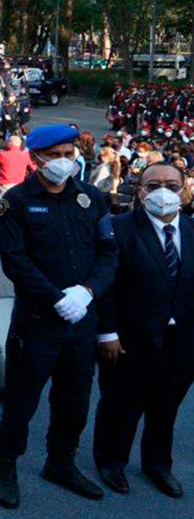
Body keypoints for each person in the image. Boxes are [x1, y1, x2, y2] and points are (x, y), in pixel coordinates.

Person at [0, 124, 118, 509]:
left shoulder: (91, 198)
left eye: (70, 154)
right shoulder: (15, 201)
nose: (66, 162)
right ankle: (6, 464)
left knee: (75, 400)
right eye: (57, 155)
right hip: (38, 322)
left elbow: (108, 253)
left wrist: (87, 291)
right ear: (36, 158)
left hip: (81, 319)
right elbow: (14, 260)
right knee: (22, 400)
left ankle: (60, 462)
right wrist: (54, 298)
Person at [94, 162, 193, 497]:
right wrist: (107, 333)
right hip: (129, 340)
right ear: (139, 191)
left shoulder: (192, 230)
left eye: (171, 185)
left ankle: (157, 464)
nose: (163, 192)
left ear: (185, 190)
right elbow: (106, 287)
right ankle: (111, 461)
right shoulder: (117, 228)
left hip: (181, 341)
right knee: (122, 405)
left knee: (166, 407)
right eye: (153, 185)